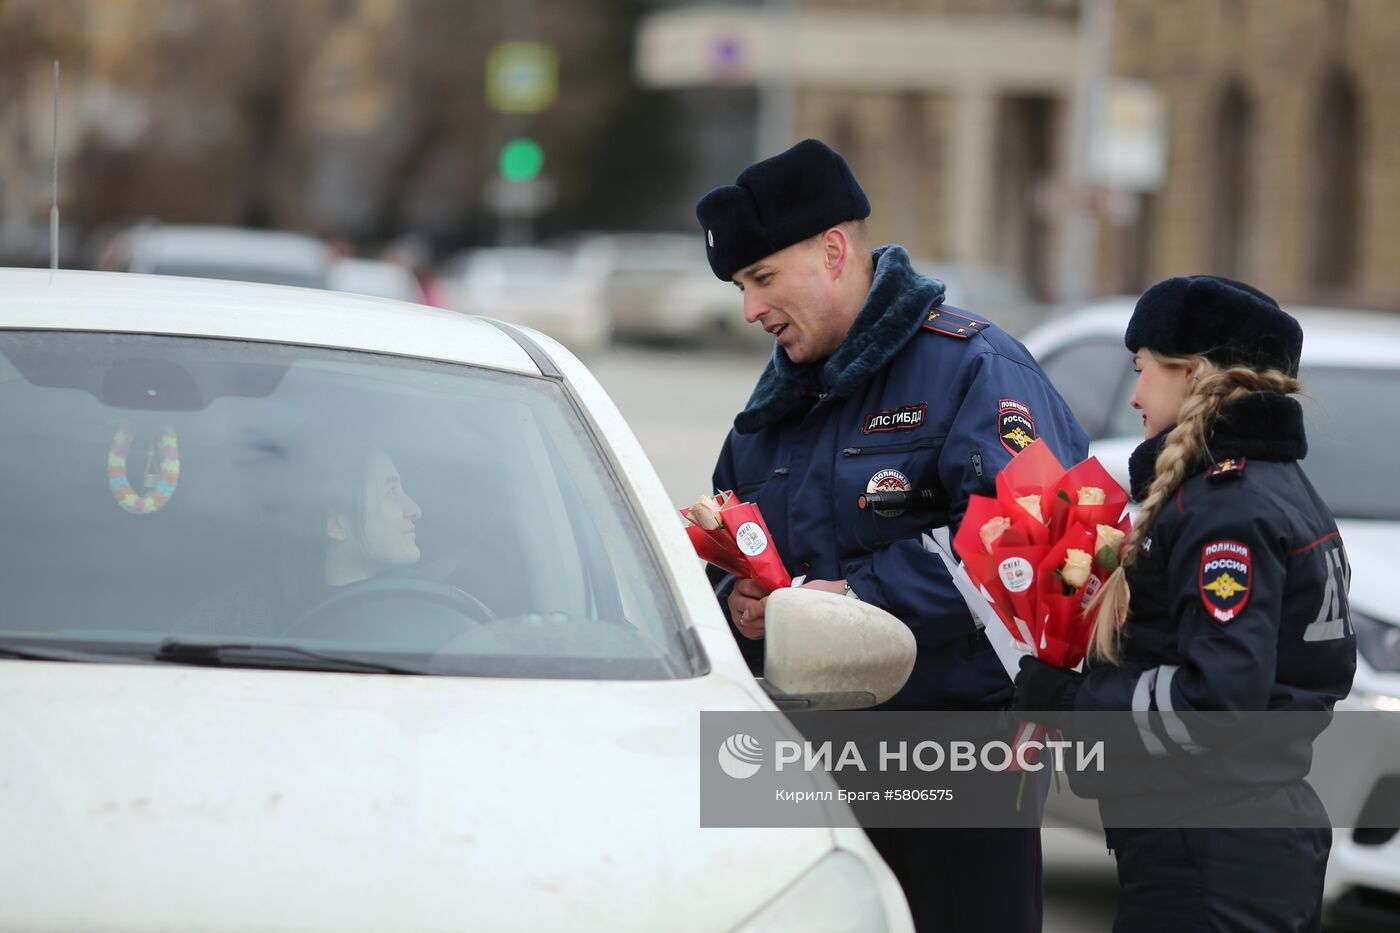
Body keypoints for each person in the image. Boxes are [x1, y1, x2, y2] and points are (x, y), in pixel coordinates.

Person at [695, 138, 1089, 932]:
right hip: (814, 773)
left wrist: (853, 605)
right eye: (741, 285)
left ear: (834, 251)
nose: (750, 309)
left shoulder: (975, 368)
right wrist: (737, 600)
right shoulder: (770, 410)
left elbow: (1041, 552)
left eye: (763, 278)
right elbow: (730, 534)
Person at [1012, 275, 1357, 931]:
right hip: (1236, 840)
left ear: (1191, 372)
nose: (1136, 395)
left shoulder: (1227, 507)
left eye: (1142, 369)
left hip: (1209, 850)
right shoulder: (1274, 487)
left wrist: (1070, 702)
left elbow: (1216, 704)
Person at [176, 434, 424, 637]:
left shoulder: (429, 604)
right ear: (335, 523)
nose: (415, 509)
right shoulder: (225, 625)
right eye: (391, 491)